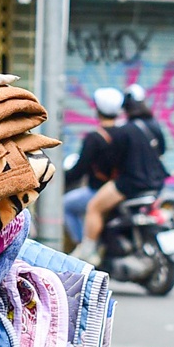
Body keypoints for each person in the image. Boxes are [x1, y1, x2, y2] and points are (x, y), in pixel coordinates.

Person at [74, 85, 171, 262]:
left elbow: (111, 162)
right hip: (156, 183)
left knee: (94, 208)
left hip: (130, 183)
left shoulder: (124, 131)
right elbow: (162, 150)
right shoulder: (152, 126)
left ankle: (89, 251)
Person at [63, 87, 122, 248]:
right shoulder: (124, 134)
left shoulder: (94, 138)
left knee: (66, 205)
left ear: (98, 110)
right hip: (119, 190)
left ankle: (82, 246)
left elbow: (79, 169)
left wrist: (62, 178)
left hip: (96, 190)